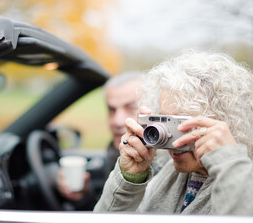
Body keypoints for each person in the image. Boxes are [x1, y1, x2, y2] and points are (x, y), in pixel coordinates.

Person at [94, 49, 253, 215]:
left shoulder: (242, 174)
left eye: (185, 125)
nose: (173, 139)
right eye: (165, 122)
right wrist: (129, 179)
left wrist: (229, 164)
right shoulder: (171, 176)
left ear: (226, 122)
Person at [57, 72, 169, 210]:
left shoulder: (169, 165)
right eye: (112, 110)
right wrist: (83, 197)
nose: (117, 121)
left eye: (131, 108)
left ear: (154, 112)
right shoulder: (115, 151)